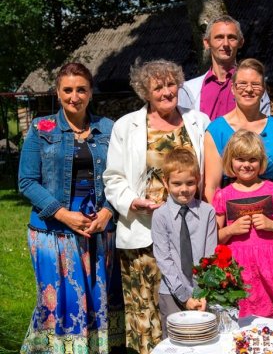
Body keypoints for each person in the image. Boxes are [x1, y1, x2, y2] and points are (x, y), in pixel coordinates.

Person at [103, 59, 210, 353]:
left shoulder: (199, 121)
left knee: (186, 303)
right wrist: (132, 201)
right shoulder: (127, 126)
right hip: (143, 231)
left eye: (171, 84)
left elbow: (209, 172)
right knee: (145, 309)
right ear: (145, 92)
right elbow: (113, 178)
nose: (166, 92)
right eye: (158, 87)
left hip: (187, 232)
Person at [18, 63, 125, 353]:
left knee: (96, 301)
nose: (74, 97)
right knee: (59, 305)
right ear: (57, 92)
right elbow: (27, 181)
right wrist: (64, 215)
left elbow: (123, 176)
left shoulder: (109, 128)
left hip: (99, 231)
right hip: (53, 232)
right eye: (67, 90)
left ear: (91, 93)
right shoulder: (41, 128)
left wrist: (108, 211)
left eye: (81, 90)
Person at [212, 130, 273, 322]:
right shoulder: (223, 195)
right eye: (240, 159)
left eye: (252, 159)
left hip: (270, 265)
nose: (246, 164)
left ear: (261, 162)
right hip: (238, 268)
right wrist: (231, 230)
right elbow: (213, 238)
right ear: (230, 161)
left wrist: (272, 225)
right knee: (240, 321)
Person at [204, 58, 273, 215]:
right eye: (242, 83)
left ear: (263, 90)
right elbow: (212, 187)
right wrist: (216, 226)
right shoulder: (216, 130)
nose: (248, 89)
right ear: (233, 88)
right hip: (231, 219)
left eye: (255, 84)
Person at [151, 148, 217, 338]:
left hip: (202, 292)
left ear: (198, 180)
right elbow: (164, 259)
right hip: (172, 293)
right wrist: (184, 296)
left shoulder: (207, 212)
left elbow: (210, 256)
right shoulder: (160, 216)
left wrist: (203, 293)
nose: (184, 189)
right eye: (177, 183)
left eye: (190, 183)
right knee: (175, 342)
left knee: (203, 339)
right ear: (166, 182)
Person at [179, 15, 270, 120]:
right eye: (219, 37)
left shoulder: (254, 88)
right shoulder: (189, 90)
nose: (225, 43)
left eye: (231, 37)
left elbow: (263, 125)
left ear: (241, 42)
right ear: (207, 43)